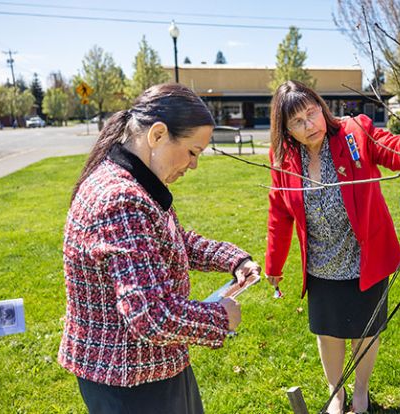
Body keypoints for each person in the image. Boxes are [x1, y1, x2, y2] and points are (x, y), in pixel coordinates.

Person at [57, 83, 261, 414]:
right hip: (129, 380)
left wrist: (233, 259)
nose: (193, 165)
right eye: (192, 152)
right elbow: (151, 316)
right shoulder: (122, 198)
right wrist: (220, 317)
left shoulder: (137, 182)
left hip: (151, 367)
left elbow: (173, 242)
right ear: (157, 135)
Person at [264, 80, 400, 414]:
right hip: (320, 261)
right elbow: (279, 211)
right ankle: (336, 392)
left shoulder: (353, 131)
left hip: (364, 256)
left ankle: (361, 392)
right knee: (328, 331)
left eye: (311, 113)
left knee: (365, 329)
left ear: (321, 107)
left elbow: (393, 149)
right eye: (297, 122)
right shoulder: (283, 157)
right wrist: (274, 264)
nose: (309, 125)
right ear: (285, 129)